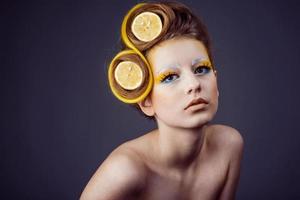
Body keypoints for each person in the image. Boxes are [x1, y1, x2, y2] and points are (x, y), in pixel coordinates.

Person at [80, 1, 244, 199]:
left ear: (216, 82)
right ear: (146, 102)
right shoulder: (124, 170)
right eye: (170, 77)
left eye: (201, 69)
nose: (194, 84)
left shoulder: (229, 145)